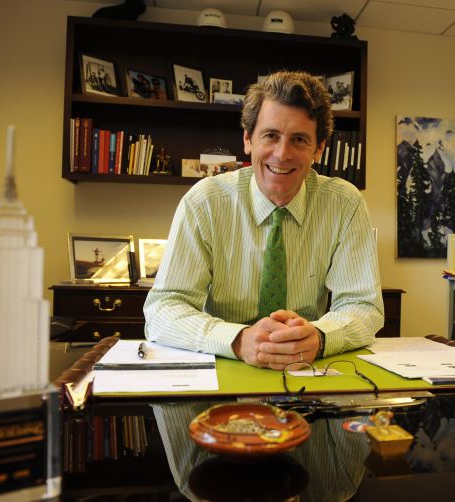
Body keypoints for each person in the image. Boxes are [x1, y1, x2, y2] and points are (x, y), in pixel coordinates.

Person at [143, 70, 383, 370]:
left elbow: (363, 306)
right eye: (270, 136)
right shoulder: (204, 202)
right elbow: (163, 308)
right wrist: (237, 339)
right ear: (247, 139)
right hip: (224, 363)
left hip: (305, 366)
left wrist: (321, 337)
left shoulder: (344, 204)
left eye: (299, 139)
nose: (282, 154)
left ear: (319, 149)